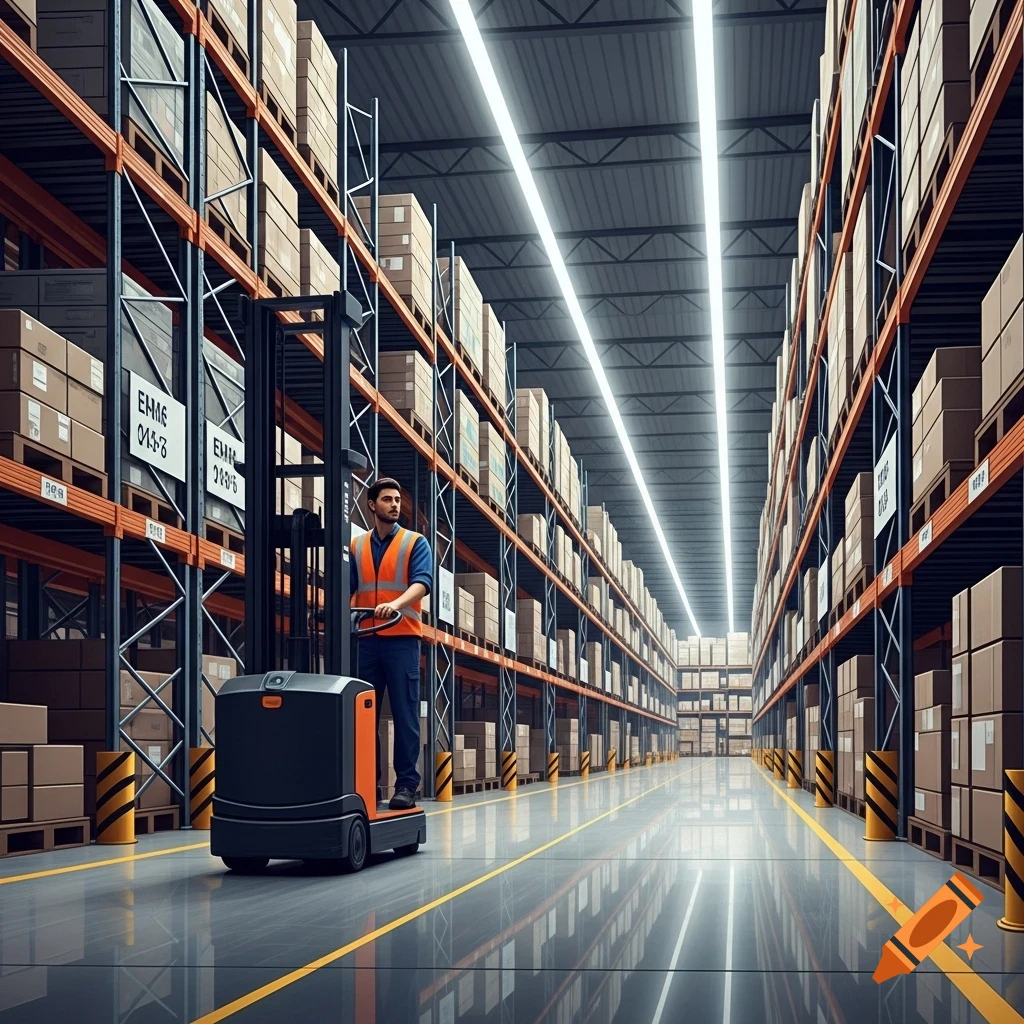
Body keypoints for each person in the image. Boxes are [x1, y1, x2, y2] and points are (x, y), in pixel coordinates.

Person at [350, 477, 432, 810]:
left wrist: (395, 605)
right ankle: (369, 783)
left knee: (405, 714)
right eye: (387, 499)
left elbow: (422, 583)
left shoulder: (415, 543)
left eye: (397, 499)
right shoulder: (356, 546)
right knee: (363, 714)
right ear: (372, 505)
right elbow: (348, 588)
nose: (395, 504)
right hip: (367, 640)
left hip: (402, 638)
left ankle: (407, 785)